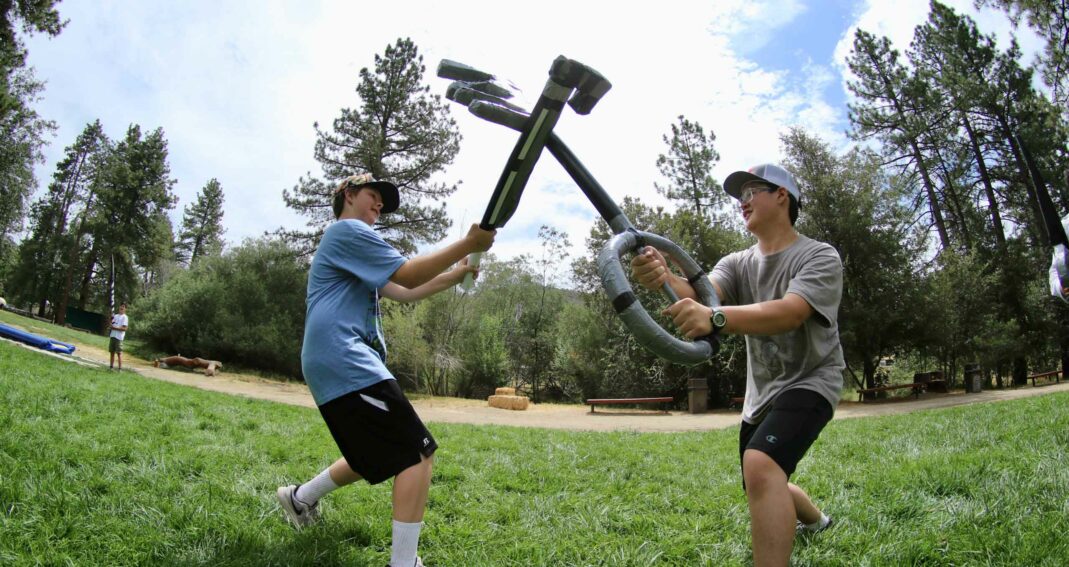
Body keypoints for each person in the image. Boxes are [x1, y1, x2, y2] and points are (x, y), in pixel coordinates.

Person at [277, 173, 496, 567]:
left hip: (331, 358)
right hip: (343, 356)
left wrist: (457, 272)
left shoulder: (350, 249)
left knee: (372, 453)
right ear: (348, 195)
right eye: (373, 196)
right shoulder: (347, 231)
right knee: (416, 453)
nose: (379, 205)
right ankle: (404, 563)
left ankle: (300, 497)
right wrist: (468, 242)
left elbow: (406, 291)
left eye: (382, 201)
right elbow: (408, 273)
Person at [631, 164, 843, 567]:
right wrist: (661, 274)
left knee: (761, 465)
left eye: (751, 191)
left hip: (814, 379)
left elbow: (790, 311)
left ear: (782, 195)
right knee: (760, 479)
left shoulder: (818, 256)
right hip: (761, 393)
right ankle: (817, 522)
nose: (742, 202)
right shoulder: (737, 262)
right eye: (739, 195)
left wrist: (716, 319)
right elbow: (700, 294)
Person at [108, 302, 129, 371]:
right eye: (121, 306)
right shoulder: (115, 316)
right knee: (112, 352)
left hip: (119, 338)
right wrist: (110, 319)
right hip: (113, 336)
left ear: (125, 309)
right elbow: (111, 324)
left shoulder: (125, 317)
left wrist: (115, 328)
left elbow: (124, 328)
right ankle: (111, 367)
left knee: (119, 353)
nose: (122, 308)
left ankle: (120, 369)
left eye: (123, 307)